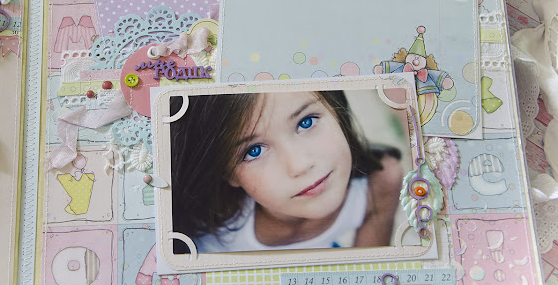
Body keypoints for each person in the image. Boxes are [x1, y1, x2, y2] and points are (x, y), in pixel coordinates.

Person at [169, 90, 404, 254]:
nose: (300, 165)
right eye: (254, 151)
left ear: (335, 109)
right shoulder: (208, 228)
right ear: (227, 173)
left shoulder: (381, 182)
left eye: (306, 122)